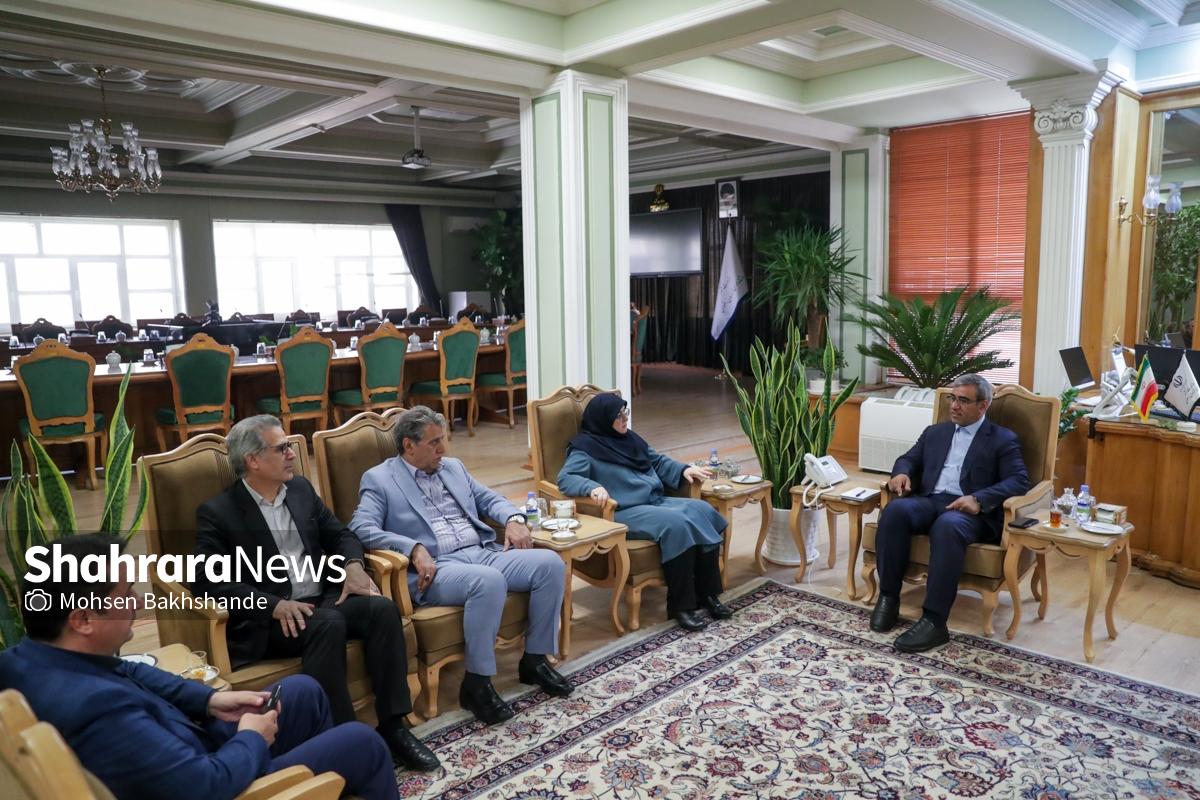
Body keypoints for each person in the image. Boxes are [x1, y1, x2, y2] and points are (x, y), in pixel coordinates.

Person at [0, 533, 402, 800]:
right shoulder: (99, 709)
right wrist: (251, 738)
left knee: (304, 691)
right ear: (83, 620)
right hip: (212, 781)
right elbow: (205, 786)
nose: (138, 602)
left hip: (186, 752)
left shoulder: (25, 660)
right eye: (126, 593)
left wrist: (210, 700)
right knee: (361, 742)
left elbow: (128, 670)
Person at [193, 415, 438, 771]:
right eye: (282, 448)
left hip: (322, 599)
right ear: (253, 460)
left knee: (381, 610)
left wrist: (353, 566)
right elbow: (206, 580)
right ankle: (341, 742)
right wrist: (273, 605)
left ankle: (393, 726)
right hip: (272, 620)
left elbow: (341, 534)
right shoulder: (219, 513)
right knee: (327, 624)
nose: (293, 453)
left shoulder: (301, 491)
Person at [350, 406, 572, 725]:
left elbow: (490, 499)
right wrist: (412, 548)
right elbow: (360, 527)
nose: (443, 449)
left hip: (481, 552)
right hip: (438, 568)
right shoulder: (380, 479)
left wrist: (514, 519)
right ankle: (477, 684)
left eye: (443, 440)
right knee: (488, 581)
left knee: (550, 564)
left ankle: (535, 660)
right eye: (434, 442)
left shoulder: (453, 467)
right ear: (409, 446)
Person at [869, 374, 1030, 653]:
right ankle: (889, 598)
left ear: (983, 405)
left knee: (947, 526)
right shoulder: (936, 432)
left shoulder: (1002, 439)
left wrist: (979, 499)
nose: (954, 406)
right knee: (895, 511)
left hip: (971, 512)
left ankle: (934, 621)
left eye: (963, 401)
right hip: (931, 500)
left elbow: (1019, 481)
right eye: (952, 399)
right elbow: (908, 458)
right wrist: (902, 473)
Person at [556, 394, 732, 632]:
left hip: (655, 501)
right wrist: (591, 487)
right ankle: (680, 606)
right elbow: (566, 478)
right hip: (625, 510)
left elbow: (656, 461)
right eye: (618, 416)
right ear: (603, 419)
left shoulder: (630, 439)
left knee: (703, 510)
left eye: (625, 413)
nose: (625, 419)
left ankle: (708, 595)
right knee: (677, 524)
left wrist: (683, 470)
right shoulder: (585, 449)